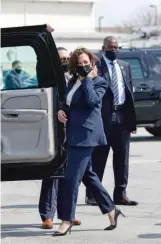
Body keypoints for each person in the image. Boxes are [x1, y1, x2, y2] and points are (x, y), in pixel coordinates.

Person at [52, 47, 124, 237]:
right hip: (73, 133)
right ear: (75, 66)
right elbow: (69, 104)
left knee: (71, 179)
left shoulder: (99, 82)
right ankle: (111, 209)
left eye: (86, 63)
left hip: (86, 135)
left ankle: (66, 220)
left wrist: (88, 80)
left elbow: (93, 102)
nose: (83, 66)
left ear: (92, 63)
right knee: (88, 176)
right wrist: (62, 112)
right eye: (80, 63)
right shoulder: (73, 82)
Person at [85, 36, 138, 206]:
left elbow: (128, 93)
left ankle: (120, 194)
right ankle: (93, 194)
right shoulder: (96, 67)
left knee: (122, 158)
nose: (113, 50)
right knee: (99, 157)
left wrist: (132, 121)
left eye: (116, 47)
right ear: (103, 48)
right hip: (102, 119)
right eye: (110, 47)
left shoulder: (125, 66)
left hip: (122, 117)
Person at [39, 47, 81, 229]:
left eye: (66, 58)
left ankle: (67, 213)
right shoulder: (50, 78)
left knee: (69, 175)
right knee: (52, 173)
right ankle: (47, 215)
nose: (64, 61)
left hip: (71, 131)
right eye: (61, 58)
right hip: (53, 131)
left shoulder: (74, 80)